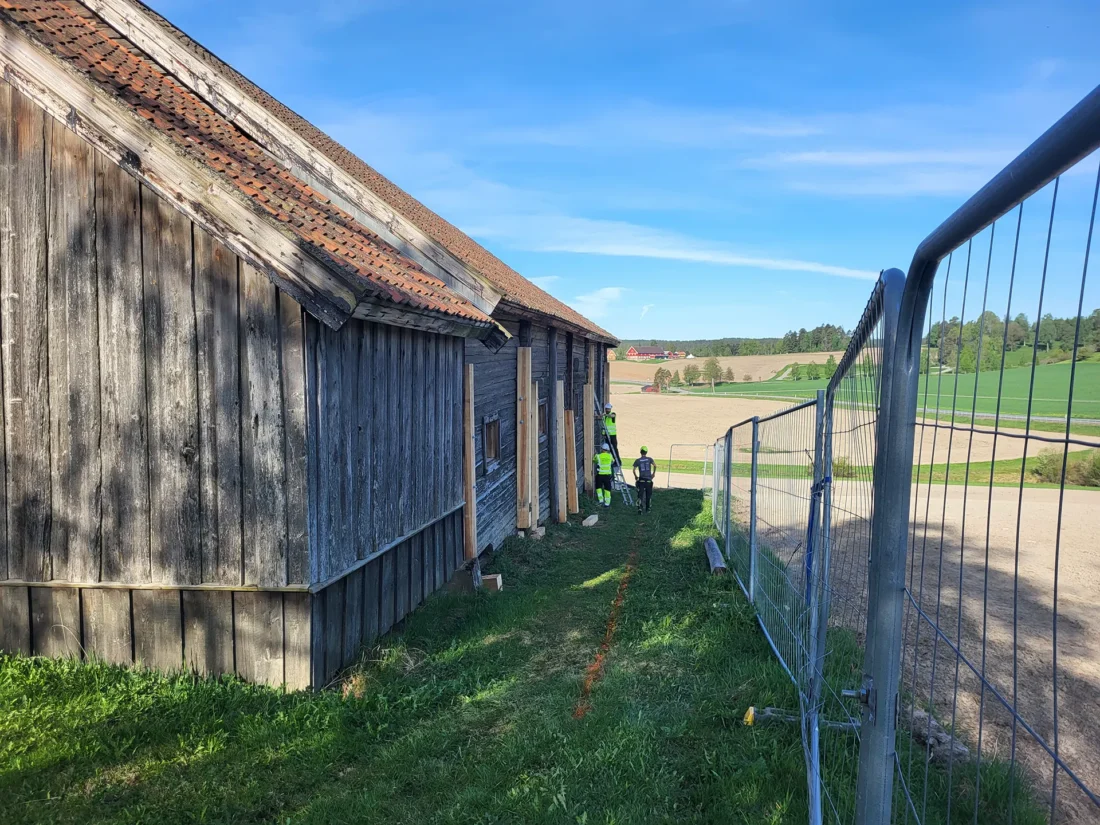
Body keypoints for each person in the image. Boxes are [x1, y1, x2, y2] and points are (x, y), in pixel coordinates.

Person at [633, 446, 656, 513]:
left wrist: (636, 476)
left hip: (641, 480)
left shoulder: (637, 460)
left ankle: (640, 508)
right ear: (646, 452)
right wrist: (653, 473)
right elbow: (655, 465)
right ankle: (648, 508)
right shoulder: (650, 459)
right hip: (648, 480)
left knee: (640, 495)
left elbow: (634, 470)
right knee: (648, 495)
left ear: (640, 452)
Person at [593, 442, 614, 507]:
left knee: (598, 487)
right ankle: (607, 503)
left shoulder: (598, 456)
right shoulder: (610, 456)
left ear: (602, 449)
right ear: (607, 450)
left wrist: (595, 455)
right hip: (607, 476)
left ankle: (601, 500)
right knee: (607, 489)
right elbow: (613, 461)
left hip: (600, 475)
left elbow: (594, 461)